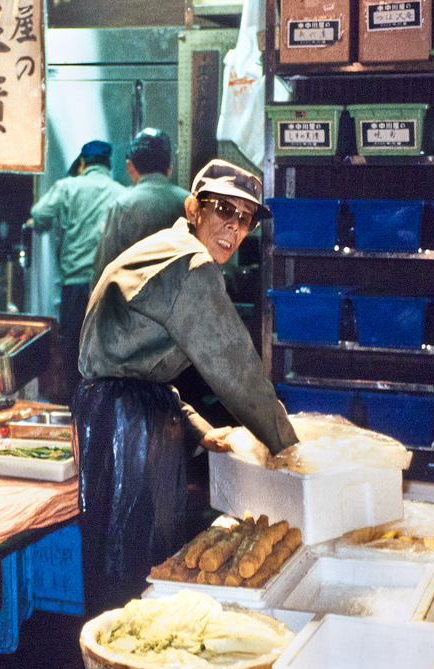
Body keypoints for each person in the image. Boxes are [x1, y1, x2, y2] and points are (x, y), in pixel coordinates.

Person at [74, 158, 299, 615]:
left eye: (245, 218)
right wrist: (290, 450)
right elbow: (238, 372)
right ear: (194, 207)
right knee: (131, 569)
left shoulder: (168, 247)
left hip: (122, 412)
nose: (234, 228)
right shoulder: (192, 265)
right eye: (223, 210)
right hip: (124, 426)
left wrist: (197, 428)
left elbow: (142, 369)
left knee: (133, 558)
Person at [30, 140, 126, 402]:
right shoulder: (121, 192)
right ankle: (102, 407)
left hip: (75, 283)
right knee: (105, 349)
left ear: (82, 163)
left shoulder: (68, 186)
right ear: (109, 165)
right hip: (110, 285)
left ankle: (75, 406)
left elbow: (39, 213)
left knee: (74, 347)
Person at [91, 129, 190, 285]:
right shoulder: (189, 202)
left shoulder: (122, 205)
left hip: (132, 303)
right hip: (182, 302)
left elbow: (104, 268)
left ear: (131, 167)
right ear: (169, 169)